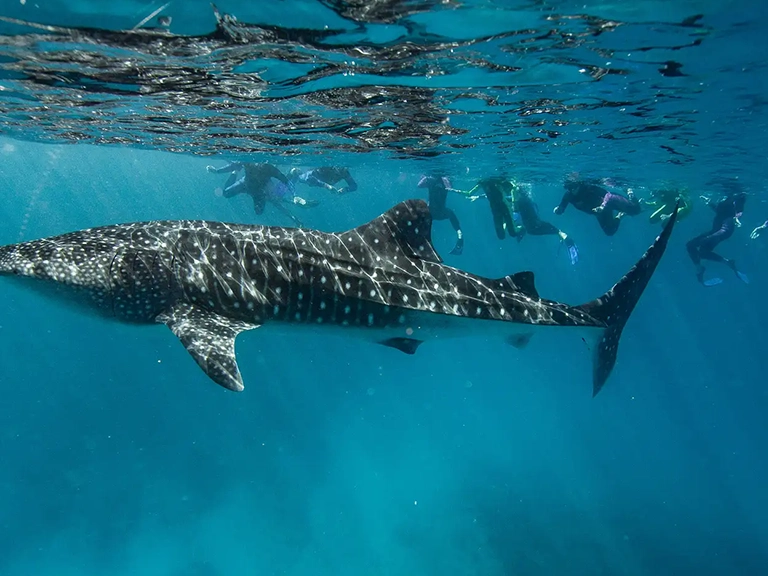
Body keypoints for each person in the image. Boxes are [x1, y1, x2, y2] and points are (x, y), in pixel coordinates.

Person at [206, 162, 317, 227]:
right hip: (245, 184)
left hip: (259, 192)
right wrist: (217, 171)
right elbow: (233, 165)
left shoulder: (269, 168)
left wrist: (294, 195)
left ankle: (292, 176)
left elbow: (285, 180)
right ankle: (234, 174)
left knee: (259, 212)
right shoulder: (248, 161)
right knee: (226, 193)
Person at [686, 192, 749, 286]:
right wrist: (710, 203)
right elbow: (720, 211)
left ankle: (727, 263)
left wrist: (736, 218)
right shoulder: (726, 198)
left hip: (725, 230)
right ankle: (702, 267)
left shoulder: (736, 197)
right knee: (691, 246)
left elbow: (738, 209)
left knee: (703, 245)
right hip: (715, 230)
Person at [508, 181, 578, 264]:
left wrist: (512, 198)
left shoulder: (520, 201)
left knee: (557, 231)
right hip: (536, 225)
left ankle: (567, 239)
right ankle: (567, 240)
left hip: (533, 227)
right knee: (557, 231)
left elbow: (515, 214)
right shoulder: (526, 200)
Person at [554, 177, 641, 236]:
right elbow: (562, 208)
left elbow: (608, 195)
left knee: (636, 210)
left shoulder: (588, 187)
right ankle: (620, 216)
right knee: (610, 231)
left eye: (573, 187)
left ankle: (630, 193)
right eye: (568, 188)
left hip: (610, 201)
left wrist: (603, 206)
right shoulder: (568, 196)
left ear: (578, 184)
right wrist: (558, 210)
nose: (572, 190)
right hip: (600, 211)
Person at [417, 174, 463, 255]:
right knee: (451, 214)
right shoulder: (445, 180)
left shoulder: (430, 180)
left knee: (421, 221)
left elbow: (419, 185)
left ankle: (419, 241)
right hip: (441, 212)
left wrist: (426, 178)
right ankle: (460, 235)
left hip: (430, 211)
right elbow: (450, 187)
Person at [289, 166, 358, 194]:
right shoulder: (325, 169)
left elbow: (354, 186)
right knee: (301, 178)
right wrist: (327, 186)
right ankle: (296, 171)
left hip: (320, 179)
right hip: (313, 176)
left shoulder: (344, 172)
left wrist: (346, 189)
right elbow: (309, 178)